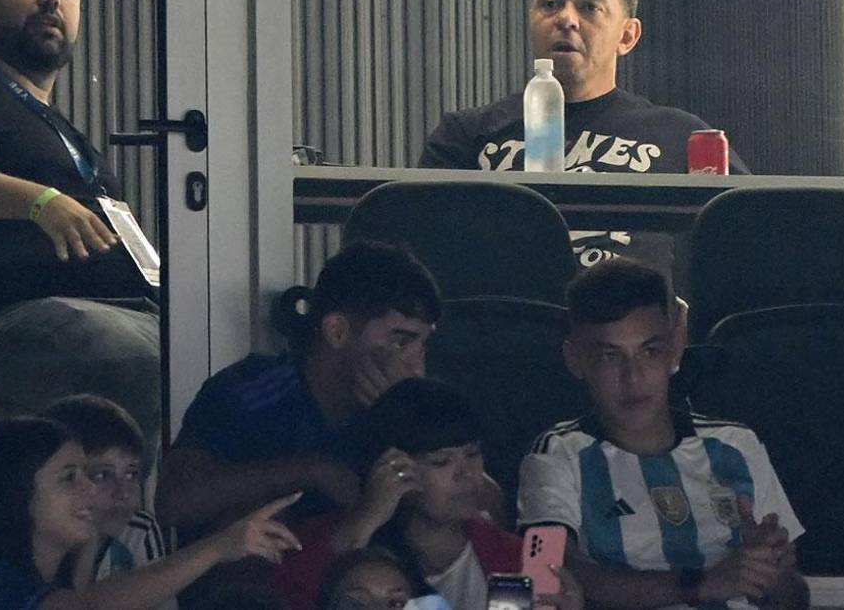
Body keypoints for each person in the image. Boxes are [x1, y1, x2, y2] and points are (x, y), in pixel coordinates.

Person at [418, 0, 844, 306]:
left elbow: (778, 226)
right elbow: (417, 255)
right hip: (508, 331)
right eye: (550, 3)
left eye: (589, 6)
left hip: (641, 352)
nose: (566, 18)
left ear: (628, 35)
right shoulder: (467, 135)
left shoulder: (679, 135)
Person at [0, 0, 160, 447]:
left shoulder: (65, 133)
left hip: (106, 317)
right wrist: (40, 202)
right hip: (7, 332)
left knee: (229, 359)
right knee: (143, 356)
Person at [518, 259, 809, 609]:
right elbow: (546, 572)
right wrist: (701, 584)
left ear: (676, 346)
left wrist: (772, 574)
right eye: (610, 356)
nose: (633, 377)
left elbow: (794, 600)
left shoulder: (737, 445)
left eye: (649, 351)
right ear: (574, 359)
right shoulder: (555, 454)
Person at [155, 240, 443, 539]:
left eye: (424, 345)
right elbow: (173, 502)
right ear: (337, 331)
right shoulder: (252, 392)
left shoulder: (417, 403)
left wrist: (409, 425)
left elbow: (482, 506)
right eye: (401, 342)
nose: (417, 368)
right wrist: (310, 471)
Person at [274, 377, 582, 610]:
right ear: (392, 466)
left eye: (473, 455)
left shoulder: (515, 556)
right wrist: (366, 519)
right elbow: (294, 595)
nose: (467, 474)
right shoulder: (329, 537)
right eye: (441, 462)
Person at [0, 416, 301, 610]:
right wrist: (219, 547)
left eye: (88, 474)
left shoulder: (59, 582)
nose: (92, 489)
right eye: (69, 478)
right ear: (17, 492)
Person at [43, 394, 174, 609]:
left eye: (131, 474)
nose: (123, 492)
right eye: (102, 475)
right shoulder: (42, 544)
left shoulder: (139, 530)